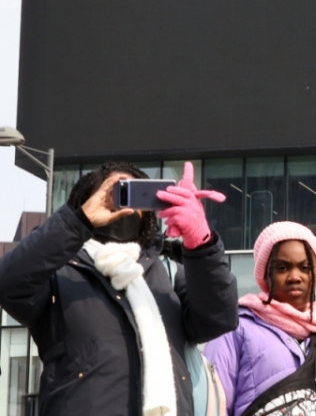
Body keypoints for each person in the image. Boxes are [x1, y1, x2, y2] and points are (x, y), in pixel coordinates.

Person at [0, 161, 239, 416]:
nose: (123, 205)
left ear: (148, 211)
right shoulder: (57, 270)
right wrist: (76, 222)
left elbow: (218, 318)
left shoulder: (167, 271)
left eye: (133, 193)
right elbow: (8, 284)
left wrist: (200, 240)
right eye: (112, 193)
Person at [205, 221, 316, 416]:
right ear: (265, 274)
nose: (295, 276)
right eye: (283, 268)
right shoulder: (235, 330)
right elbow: (213, 404)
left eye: (304, 268)